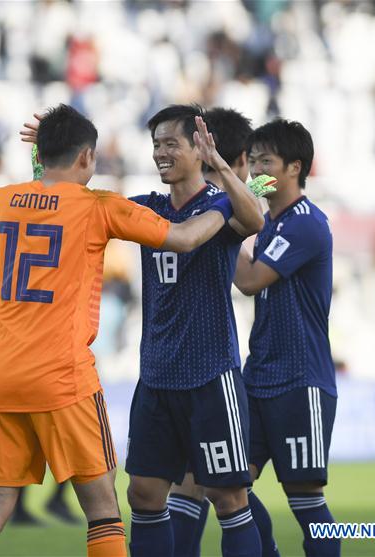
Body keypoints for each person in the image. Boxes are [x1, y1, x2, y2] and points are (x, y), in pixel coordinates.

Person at [0, 104, 240, 557]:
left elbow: (1, 234)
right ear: (86, 157)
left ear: (40, 154)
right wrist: (226, 200)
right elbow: (184, 238)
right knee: (103, 511)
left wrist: (41, 173)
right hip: (63, 377)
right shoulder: (97, 206)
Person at [123, 104, 265, 557]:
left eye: (171, 143)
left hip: (210, 377)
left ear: (197, 149)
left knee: (229, 497)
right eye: (156, 144)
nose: (160, 153)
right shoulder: (147, 207)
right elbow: (92, 209)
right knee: (143, 493)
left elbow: (256, 220)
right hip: (156, 377)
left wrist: (219, 163)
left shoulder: (219, 204)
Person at [233, 119, 339, 557]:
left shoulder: (305, 224)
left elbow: (251, 280)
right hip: (259, 375)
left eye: (266, 161)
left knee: (305, 499)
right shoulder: (270, 223)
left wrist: (222, 233)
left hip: (300, 379)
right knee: (229, 484)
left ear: (294, 167)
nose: (257, 170)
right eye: (253, 161)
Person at [165, 106, 264, 557]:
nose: (255, 172)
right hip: (211, 371)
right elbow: (248, 279)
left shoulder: (195, 205)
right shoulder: (222, 205)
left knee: (206, 487)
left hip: (186, 369)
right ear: (240, 158)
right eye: (253, 162)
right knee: (220, 490)